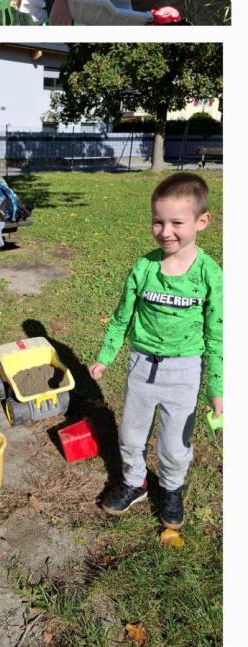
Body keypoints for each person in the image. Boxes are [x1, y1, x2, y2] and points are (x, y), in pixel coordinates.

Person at [90, 173, 223, 530]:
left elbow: (218, 334)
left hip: (184, 372)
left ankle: (171, 488)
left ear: (201, 221)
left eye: (177, 223)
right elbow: (121, 318)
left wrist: (216, 389)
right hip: (141, 366)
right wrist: (106, 356)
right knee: (130, 435)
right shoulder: (144, 267)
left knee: (173, 444)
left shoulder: (210, 276)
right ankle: (135, 482)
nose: (166, 231)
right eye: (158, 221)